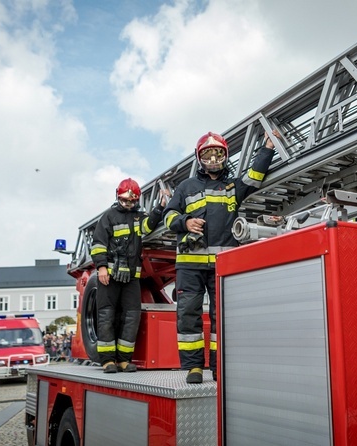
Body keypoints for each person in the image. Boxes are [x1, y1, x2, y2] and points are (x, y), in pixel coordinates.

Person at [163, 130, 277, 383]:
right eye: (208, 155)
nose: (213, 160)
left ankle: (219, 367)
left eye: (218, 154)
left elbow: (254, 177)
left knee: (221, 317)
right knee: (188, 314)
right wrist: (185, 222)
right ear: (199, 158)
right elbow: (169, 216)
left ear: (224, 157)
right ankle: (193, 367)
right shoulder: (186, 187)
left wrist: (267, 147)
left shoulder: (233, 186)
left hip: (222, 265)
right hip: (190, 265)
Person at [90, 178, 168, 373]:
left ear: (137, 200)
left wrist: (160, 207)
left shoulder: (138, 217)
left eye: (131, 201)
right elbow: (98, 243)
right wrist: (101, 268)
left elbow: (148, 227)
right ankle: (108, 360)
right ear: (118, 197)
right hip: (109, 276)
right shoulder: (108, 217)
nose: (128, 204)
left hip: (132, 277)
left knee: (131, 316)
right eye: (124, 200)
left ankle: (124, 360)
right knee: (107, 316)